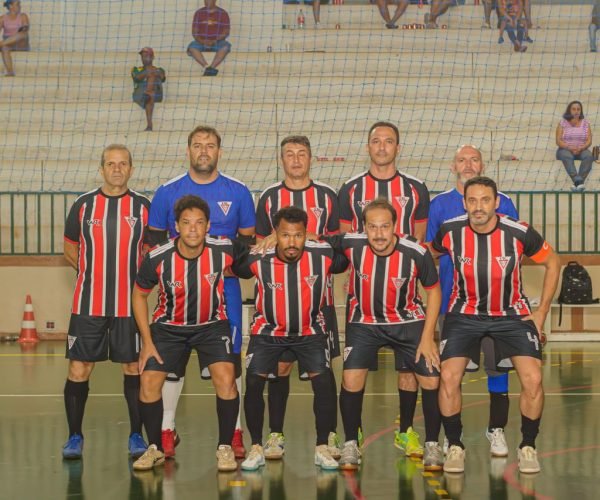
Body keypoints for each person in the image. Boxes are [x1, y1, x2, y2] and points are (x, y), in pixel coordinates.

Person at [431, 176, 561, 474]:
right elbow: (427, 253)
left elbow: (553, 261)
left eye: (485, 200)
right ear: (464, 203)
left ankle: (527, 446)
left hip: (512, 315)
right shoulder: (450, 231)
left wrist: (541, 312)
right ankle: (454, 445)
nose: (478, 207)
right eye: (472, 201)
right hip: (464, 315)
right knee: (448, 376)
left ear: (496, 202)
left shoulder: (519, 232)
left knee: (533, 379)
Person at [147, 125, 255, 460]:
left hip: (224, 294)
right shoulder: (167, 192)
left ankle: (234, 433)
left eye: (210, 145)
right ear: (188, 150)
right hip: (177, 293)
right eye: (197, 145)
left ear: (219, 151)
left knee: (228, 365)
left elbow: (247, 246)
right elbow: (153, 242)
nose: (204, 151)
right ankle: (166, 430)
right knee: (169, 366)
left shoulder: (238, 192)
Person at [327, 199, 444, 472]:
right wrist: (274, 236)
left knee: (430, 375)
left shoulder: (415, 252)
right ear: (363, 228)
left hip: (407, 320)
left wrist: (428, 337)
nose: (379, 234)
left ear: (395, 227)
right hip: (364, 321)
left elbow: (434, 292)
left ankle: (431, 443)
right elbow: (314, 240)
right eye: (372, 227)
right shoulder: (350, 243)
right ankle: (350, 442)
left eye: (385, 226)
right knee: (351, 377)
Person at [338, 121, 430, 457]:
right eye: (375, 141)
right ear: (368, 146)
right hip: (363, 302)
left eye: (388, 141)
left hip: (404, 298)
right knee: (354, 373)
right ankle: (353, 436)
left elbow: (418, 240)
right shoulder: (349, 189)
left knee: (409, 373)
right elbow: (347, 242)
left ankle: (406, 432)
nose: (381, 146)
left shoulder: (416, 188)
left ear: (397, 147)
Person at [232, 206, 349, 471]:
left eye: (298, 235)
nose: (292, 242)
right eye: (285, 235)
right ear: (276, 235)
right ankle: (257, 447)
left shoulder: (323, 254)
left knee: (323, 381)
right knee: (253, 380)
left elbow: (347, 250)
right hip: (268, 332)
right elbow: (236, 265)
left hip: (310, 332)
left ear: (305, 234)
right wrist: (257, 243)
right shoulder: (259, 257)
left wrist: (320, 237)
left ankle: (322, 445)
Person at [131, 195, 239, 472]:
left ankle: (225, 447)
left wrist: (272, 239)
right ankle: (154, 447)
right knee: (149, 382)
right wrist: (147, 341)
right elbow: (139, 296)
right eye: (186, 223)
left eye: (199, 223)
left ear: (208, 226)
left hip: (212, 326)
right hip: (169, 328)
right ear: (176, 226)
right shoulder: (157, 257)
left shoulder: (224, 249)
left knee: (227, 379)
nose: (193, 229)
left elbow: (254, 254)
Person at [427, 145, 518, 458]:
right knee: (451, 373)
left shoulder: (505, 202)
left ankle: (496, 430)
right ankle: (454, 437)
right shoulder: (438, 204)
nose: (468, 164)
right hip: (453, 307)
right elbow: (430, 252)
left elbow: (516, 248)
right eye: (462, 160)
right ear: (453, 165)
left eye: (474, 159)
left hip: (498, 307)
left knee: (497, 370)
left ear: (483, 164)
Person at [255, 135, 341, 460]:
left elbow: (338, 242)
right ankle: (275, 435)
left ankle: (328, 437)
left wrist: (318, 239)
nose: (295, 159)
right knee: (279, 368)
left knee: (323, 370)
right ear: (281, 159)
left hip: (319, 300)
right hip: (278, 303)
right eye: (289, 154)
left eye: (301, 154)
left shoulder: (328, 196)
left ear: (310, 158)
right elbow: (257, 243)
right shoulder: (268, 197)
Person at [61, 144, 150, 460]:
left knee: (133, 366)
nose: (116, 168)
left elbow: (150, 254)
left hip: (129, 307)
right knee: (79, 367)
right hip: (88, 305)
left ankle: (136, 436)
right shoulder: (83, 205)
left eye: (122, 163)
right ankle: (74, 436)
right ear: (101, 169)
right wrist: (91, 273)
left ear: (131, 169)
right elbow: (70, 249)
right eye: (110, 164)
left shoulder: (143, 207)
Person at [556, 100, 593, 192]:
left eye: (578, 109)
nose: (576, 111)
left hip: (581, 149)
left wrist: (582, 147)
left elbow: (589, 140)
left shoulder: (586, 123)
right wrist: (569, 147)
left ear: (581, 111)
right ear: (569, 110)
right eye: (574, 109)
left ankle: (577, 183)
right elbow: (558, 141)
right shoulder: (562, 123)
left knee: (589, 156)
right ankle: (577, 180)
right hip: (565, 149)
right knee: (566, 155)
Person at [187, 0, 231, 76]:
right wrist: (203, 41)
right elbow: (194, 32)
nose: (206, 2)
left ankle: (212, 67)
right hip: (201, 42)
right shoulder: (199, 13)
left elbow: (226, 32)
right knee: (192, 47)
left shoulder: (223, 13)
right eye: (205, 0)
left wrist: (215, 41)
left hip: (218, 42)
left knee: (226, 46)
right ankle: (207, 67)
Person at [131, 47, 166, 132]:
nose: (145, 57)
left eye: (148, 55)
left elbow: (162, 77)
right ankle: (149, 125)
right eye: (143, 55)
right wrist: (148, 71)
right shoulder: (136, 69)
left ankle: (148, 93)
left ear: (153, 57)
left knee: (151, 91)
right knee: (150, 92)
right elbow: (137, 77)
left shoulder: (159, 69)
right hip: (140, 95)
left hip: (156, 95)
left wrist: (153, 71)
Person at [0, 0, 29, 76]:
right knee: (4, 48)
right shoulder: (2, 18)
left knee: (23, 34)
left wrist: (23, 29)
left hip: (21, 44)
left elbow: (25, 30)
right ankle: (10, 72)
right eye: (17, 4)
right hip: (9, 44)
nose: (20, 6)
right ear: (10, 6)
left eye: (19, 4)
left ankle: (1, 44)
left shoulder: (23, 16)